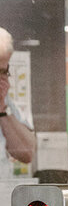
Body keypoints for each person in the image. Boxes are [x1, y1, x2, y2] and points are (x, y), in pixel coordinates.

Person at [0, 27, 35, 165]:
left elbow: (27, 152)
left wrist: (2, 110)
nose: (3, 80)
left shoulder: (4, 100)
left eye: (4, 72)